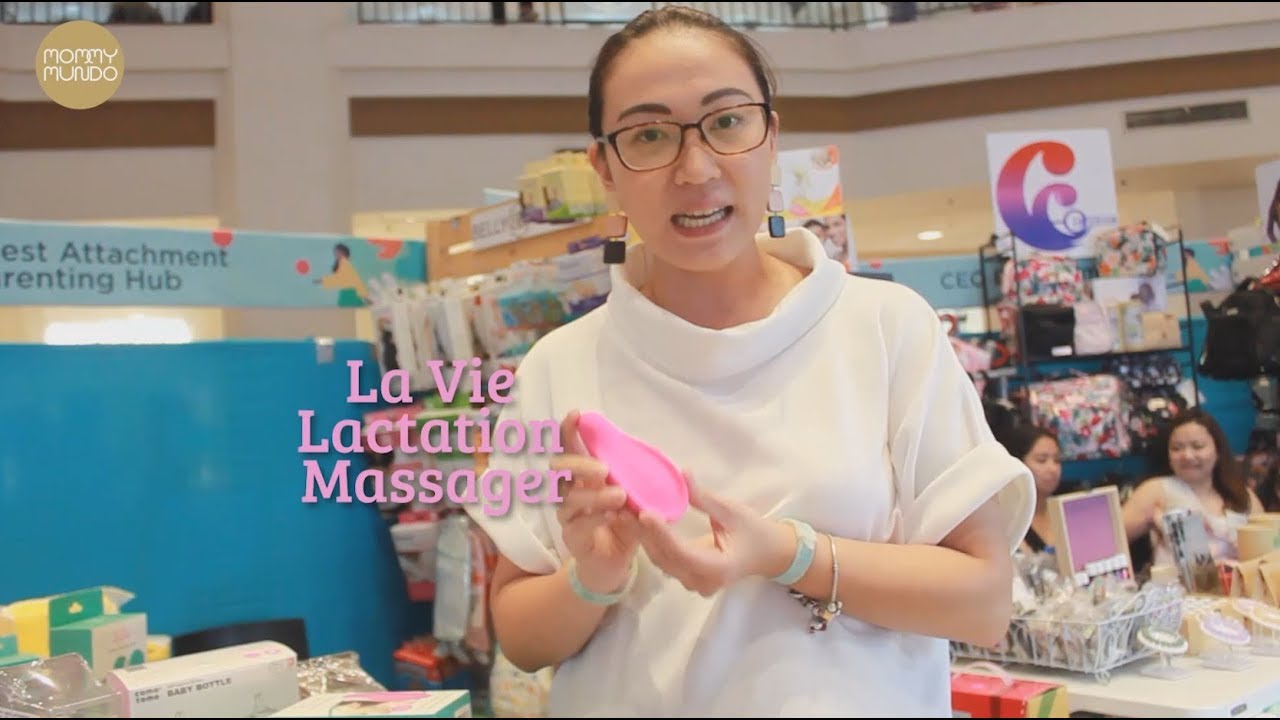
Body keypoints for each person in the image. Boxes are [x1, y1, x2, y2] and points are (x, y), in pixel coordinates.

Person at [463, 7, 1034, 717]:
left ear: (771, 137)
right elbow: (522, 639)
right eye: (649, 136)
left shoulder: (884, 327)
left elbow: (984, 602)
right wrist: (594, 577)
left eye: (727, 122)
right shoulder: (559, 365)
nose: (696, 169)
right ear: (605, 168)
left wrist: (788, 553)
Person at [1122, 408, 1264, 568]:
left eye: (1197, 446)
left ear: (1218, 451)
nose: (1187, 456)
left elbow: (1270, 552)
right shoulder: (1156, 490)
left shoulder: (1243, 495)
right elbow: (1110, 540)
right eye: (1177, 448)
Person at [995, 424, 1062, 554]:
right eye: (1041, 460)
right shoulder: (1005, 523)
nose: (1053, 469)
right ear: (1018, 463)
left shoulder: (1066, 514)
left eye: (1057, 460)